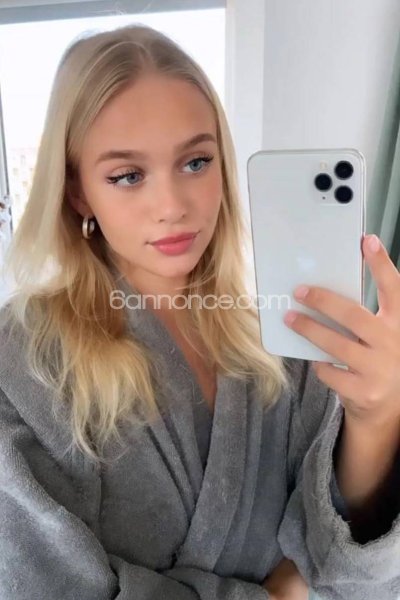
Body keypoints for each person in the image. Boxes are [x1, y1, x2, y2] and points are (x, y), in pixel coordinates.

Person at [0, 23, 399, 600]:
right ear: (78, 191)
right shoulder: (20, 364)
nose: (172, 206)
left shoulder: (283, 336)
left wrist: (376, 418)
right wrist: (280, 592)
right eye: (128, 175)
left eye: (195, 162)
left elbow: (347, 571)